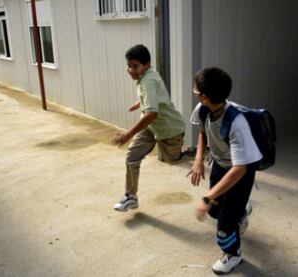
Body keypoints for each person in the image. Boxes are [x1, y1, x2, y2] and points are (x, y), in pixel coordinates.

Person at [187, 67, 262, 274]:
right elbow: (203, 130)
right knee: (214, 210)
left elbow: (239, 170)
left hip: (241, 171)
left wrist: (207, 196)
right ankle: (241, 211)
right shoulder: (203, 108)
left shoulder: (236, 123)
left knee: (224, 227)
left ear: (203, 95)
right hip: (220, 164)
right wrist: (199, 159)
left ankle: (233, 254)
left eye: (195, 90)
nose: (195, 92)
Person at [111, 44, 185, 212]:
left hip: (169, 129)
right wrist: (140, 103)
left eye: (135, 66)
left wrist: (127, 135)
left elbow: (152, 113)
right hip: (151, 129)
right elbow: (154, 97)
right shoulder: (146, 76)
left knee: (170, 160)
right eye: (129, 66)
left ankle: (203, 152)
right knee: (132, 156)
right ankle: (131, 197)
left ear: (147, 64)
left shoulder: (149, 80)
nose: (131, 70)